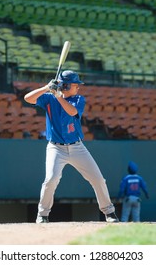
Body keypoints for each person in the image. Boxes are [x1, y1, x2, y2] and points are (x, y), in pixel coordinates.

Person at [24, 70, 119, 223]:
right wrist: (46, 88)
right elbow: (27, 98)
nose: (78, 87)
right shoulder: (49, 98)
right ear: (66, 86)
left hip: (77, 147)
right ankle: (42, 214)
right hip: (55, 148)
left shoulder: (78, 99)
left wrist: (57, 95)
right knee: (51, 179)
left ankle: (109, 212)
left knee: (98, 179)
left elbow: (71, 111)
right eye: (76, 85)